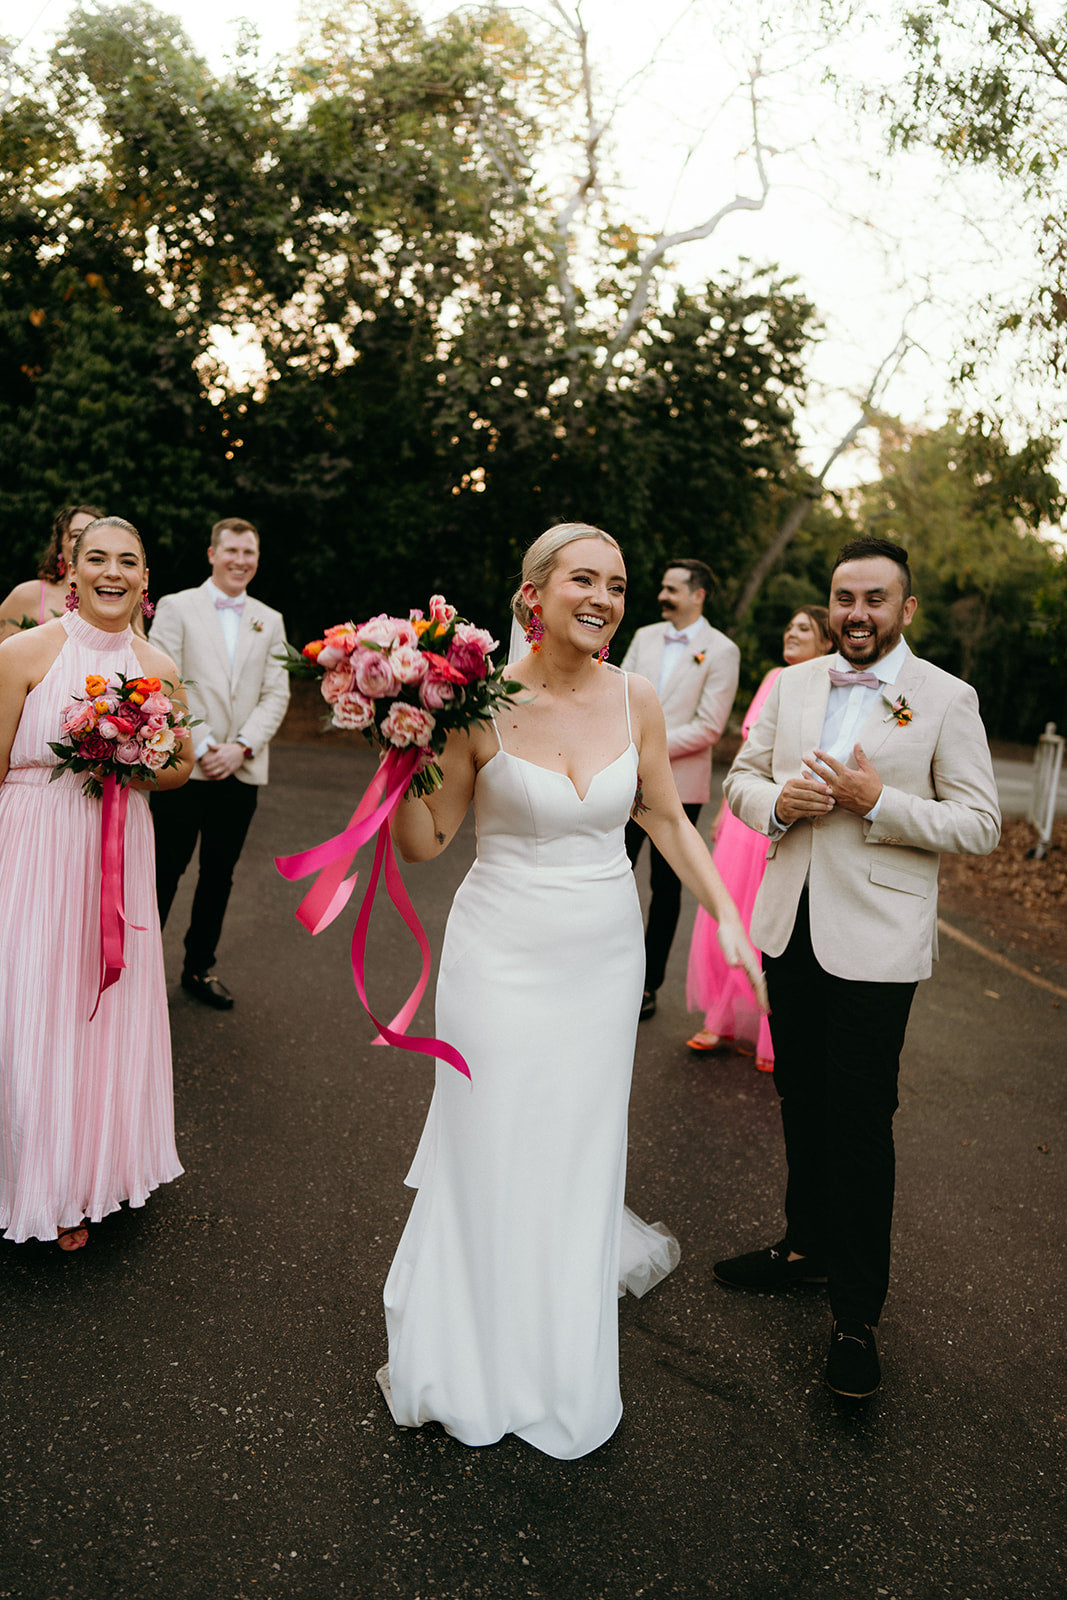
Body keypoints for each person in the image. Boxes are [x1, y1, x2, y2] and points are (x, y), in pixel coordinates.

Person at [379, 523, 766, 1459]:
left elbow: (668, 822)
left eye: (618, 585)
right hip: (498, 952)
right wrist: (401, 758)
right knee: (493, 1135)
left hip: (600, 955)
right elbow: (426, 843)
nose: (602, 597)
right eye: (582, 580)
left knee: (577, 1148)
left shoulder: (637, 697)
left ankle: (558, 1358)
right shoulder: (474, 704)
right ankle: (468, 1349)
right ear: (533, 596)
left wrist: (730, 922)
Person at [717, 537, 1000, 1398]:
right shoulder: (792, 684)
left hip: (877, 940)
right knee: (798, 1096)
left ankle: (855, 1314)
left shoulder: (945, 699)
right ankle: (804, 1247)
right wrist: (776, 804)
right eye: (844, 597)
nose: (856, 613)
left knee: (859, 1117)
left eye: (875, 599)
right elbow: (741, 777)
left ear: (905, 609)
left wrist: (877, 802)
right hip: (787, 925)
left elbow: (979, 823)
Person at [0, 516, 192, 1250]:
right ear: (70, 572)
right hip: (32, 841)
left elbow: (176, 765)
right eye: (98, 560)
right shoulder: (23, 652)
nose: (113, 572)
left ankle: (90, 1170)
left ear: (146, 581)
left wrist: (130, 757)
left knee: (98, 1008)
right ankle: (34, 1179)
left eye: (130, 562)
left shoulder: (158, 664)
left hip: (116, 846)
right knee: (31, 1002)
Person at [149, 516, 289, 1009]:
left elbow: (277, 692)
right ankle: (140, 975)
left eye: (249, 553)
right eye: (231, 550)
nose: (240, 561)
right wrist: (206, 744)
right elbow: (165, 681)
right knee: (165, 868)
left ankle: (198, 968)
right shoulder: (175, 607)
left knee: (219, 873)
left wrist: (241, 746)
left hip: (241, 769)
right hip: (185, 765)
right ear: (212, 554)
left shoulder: (269, 619)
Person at [686, 605, 832, 1069]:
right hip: (745, 819)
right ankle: (721, 1020)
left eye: (804, 629)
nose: (791, 633)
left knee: (767, 922)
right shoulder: (773, 678)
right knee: (725, 916)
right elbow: (751, 756)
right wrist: (725, 814)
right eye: (789, 625)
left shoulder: (829, 683)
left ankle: (773, 1037)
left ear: (826, 642)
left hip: (786, 820)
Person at [621, 559, 740, 1018]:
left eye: (671, 589)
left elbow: (709, 727)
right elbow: (618, 691)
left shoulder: (722, 650)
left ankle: (648, 986)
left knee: (666, 890)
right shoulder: (645, 636)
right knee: (612, 871)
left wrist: (645, 746)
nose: (662, 595)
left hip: (680, 789)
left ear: (698, 595)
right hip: (624, 780)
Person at [0, 504, 104, 641]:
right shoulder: (26, 595)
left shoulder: (122, 598)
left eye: (95, 535)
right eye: (77, 535)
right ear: (58, 545)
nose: (86, 542)